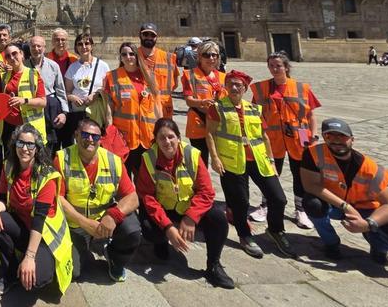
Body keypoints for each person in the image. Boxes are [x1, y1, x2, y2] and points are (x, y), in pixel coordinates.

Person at [301, 118, 388, 265]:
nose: (336, 140)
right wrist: (346, 206)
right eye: (330, 135)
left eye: (342, 136)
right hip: (337, 206)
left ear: (352, 139)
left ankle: (378, 246)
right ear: (324, 138)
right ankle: (331, 243)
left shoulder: (370, 168)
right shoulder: (314, 154)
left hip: (368, 210)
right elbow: (311, 186)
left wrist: (368, 224)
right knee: (312, 203)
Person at [206, 70, 296, 259]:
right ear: (225, 87)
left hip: (258, 159)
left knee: (279, 198)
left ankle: (275, 230)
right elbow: (210, 133)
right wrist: (215, 158)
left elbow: (264, 136)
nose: (234, 87)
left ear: (245, 88)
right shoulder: (217, 107)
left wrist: (271, 160)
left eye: (238, 85)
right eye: (230, 84)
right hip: (232, 161)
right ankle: (245, 235)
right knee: (240, 202)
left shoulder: (254, 109)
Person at [136, 119, 235, 289]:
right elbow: (147, 196)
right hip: (163, 209)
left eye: (171, 137)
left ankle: (213, 265)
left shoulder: (192, 155)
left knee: (218, 219)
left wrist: (191, 218)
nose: (167, 142)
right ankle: (160, 242)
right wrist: (167, 227)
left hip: (188, 208)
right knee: (149, 229)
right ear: (156, 140)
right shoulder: (149, 158)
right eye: (161, 138)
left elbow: (206, 192)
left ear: (179, 137)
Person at [0, 124, 74, 297]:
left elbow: (39, 221)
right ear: (14, 145)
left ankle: (34, 259)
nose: (25, 149)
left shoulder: (47, 176)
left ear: (37, 148)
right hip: (23, 228)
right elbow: (2, 199)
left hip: (45, 237)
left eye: (30, 144)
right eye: (20, 143)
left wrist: (30, 257)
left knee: (36, 280)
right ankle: (10, 273)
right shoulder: (8, 166)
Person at [55, 118, 141, 282]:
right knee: (73, 273)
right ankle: (87, 247)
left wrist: (113, 215)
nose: (90, 139)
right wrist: (84, 223)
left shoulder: (113, 161)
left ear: (100, 139)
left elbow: (133, 197)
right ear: (76, 135)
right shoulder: (62, 158)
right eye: (85, 135)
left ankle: (115, 259)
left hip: (104, 222)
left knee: (132, 230)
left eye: (95, 136)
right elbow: (57, 198)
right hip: (75, 225)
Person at [250, 51, 321, 229]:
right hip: (272, 137)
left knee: (299, 173)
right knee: (270, 172)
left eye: (278, 66)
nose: (275, 69)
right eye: (271, 66)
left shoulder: (301, 87)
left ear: (286, 67)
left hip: (300, 135)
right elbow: (254, 113)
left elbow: (311, 115)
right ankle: (266, 205)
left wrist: (313, 136)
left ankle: (300, 209)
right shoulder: (261, 88)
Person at [103, 42, 160, 173]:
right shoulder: (112, 76)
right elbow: (109, 107)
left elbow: (156, 104)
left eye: (131, 54)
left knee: (145, 177)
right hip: (124, 137)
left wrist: (160, 128)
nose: (128, 57)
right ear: (120, 57)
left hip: (147, 136)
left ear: (137, 56)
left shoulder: (148, 75)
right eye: (124, 54)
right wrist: (109, 131)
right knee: (124, 175)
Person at [0, 44, 47, 177]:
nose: (12, 57)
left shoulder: (33, 74)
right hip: (9, 126)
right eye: (8, 56)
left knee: (31, 162)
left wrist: (24, 100)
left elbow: (43, 102)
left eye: (14, 53)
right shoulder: (5, 76)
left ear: (21, 54)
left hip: (28, 126)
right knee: (11, 162)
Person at [181, 40, 225, 168]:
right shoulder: (190, 75)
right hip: (198, 123)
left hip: (219, 124)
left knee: (223, 161)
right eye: (206, 55)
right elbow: (188, 100)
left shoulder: (223, 76)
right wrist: (201, 102)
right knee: (200, 163)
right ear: (199, 57)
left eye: (214, 55)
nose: (211, 58)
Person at [62, 33, 110, 146]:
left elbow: (108, 89)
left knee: (96, 141)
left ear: (92, 46)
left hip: (95, 112)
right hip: (78, 112)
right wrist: (72, 97)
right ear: (76, 47)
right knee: (80, 142)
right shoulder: (73, 67)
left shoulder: (103, 66)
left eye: (87, 43)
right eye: (80, 44)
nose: (84, 47)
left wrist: (95, 95)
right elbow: (66, 92)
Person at [26, 35, 68, 152]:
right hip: (31, 107)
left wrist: (64, 113)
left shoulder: (53, 66)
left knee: (51, 144)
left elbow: (60, 90)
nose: (36, 49)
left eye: (39, 46)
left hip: (50, 107)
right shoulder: (24, 66)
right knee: (32, 141)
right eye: (33, 46)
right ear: (29, 48)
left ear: (44, 48)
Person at [137, 23, 178, 120]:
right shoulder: (132, 56)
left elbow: (175, 84)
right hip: (140, 107)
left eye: (152, 35)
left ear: (156, 37)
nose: (149, 37)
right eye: (145, 34)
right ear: (140, 35)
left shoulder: (168, 58)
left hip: (164, 107)